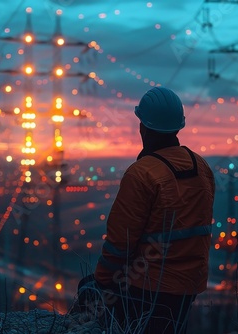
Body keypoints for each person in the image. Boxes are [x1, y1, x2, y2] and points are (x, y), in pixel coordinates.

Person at [91, 86, 215, 333]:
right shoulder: (201, 166)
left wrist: (100, 282)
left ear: (143, 127)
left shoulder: (141, 174)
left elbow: (119, 242)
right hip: (188, 286)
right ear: (179, 126)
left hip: (146, 287)